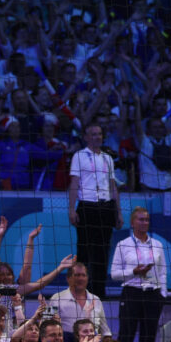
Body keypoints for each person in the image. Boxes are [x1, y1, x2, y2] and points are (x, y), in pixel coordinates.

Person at [110, 207, 167, 342]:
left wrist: (162, 295)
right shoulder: (123, 245)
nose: (144, 223)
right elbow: (114, 274)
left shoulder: (157, 245)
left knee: (148, 339)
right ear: (133, 222)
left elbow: (163, 272)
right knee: (125, 336)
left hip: (152, 294)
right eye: (141, 219)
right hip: (131, 292)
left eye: (147, 220)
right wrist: (133, 272)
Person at [67, 124, 122, 298]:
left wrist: (118, 212)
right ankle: (81, 290)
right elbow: (74, 183)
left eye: (99, 134)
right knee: (84, 251)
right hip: (87, 206)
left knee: (103, 251)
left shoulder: (108, 158)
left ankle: (99, 292)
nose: (97, 137)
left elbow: (113, 186)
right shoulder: (79, 156)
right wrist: (71, 208)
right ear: (86, 137)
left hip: (105, 208)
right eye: (93, 134)